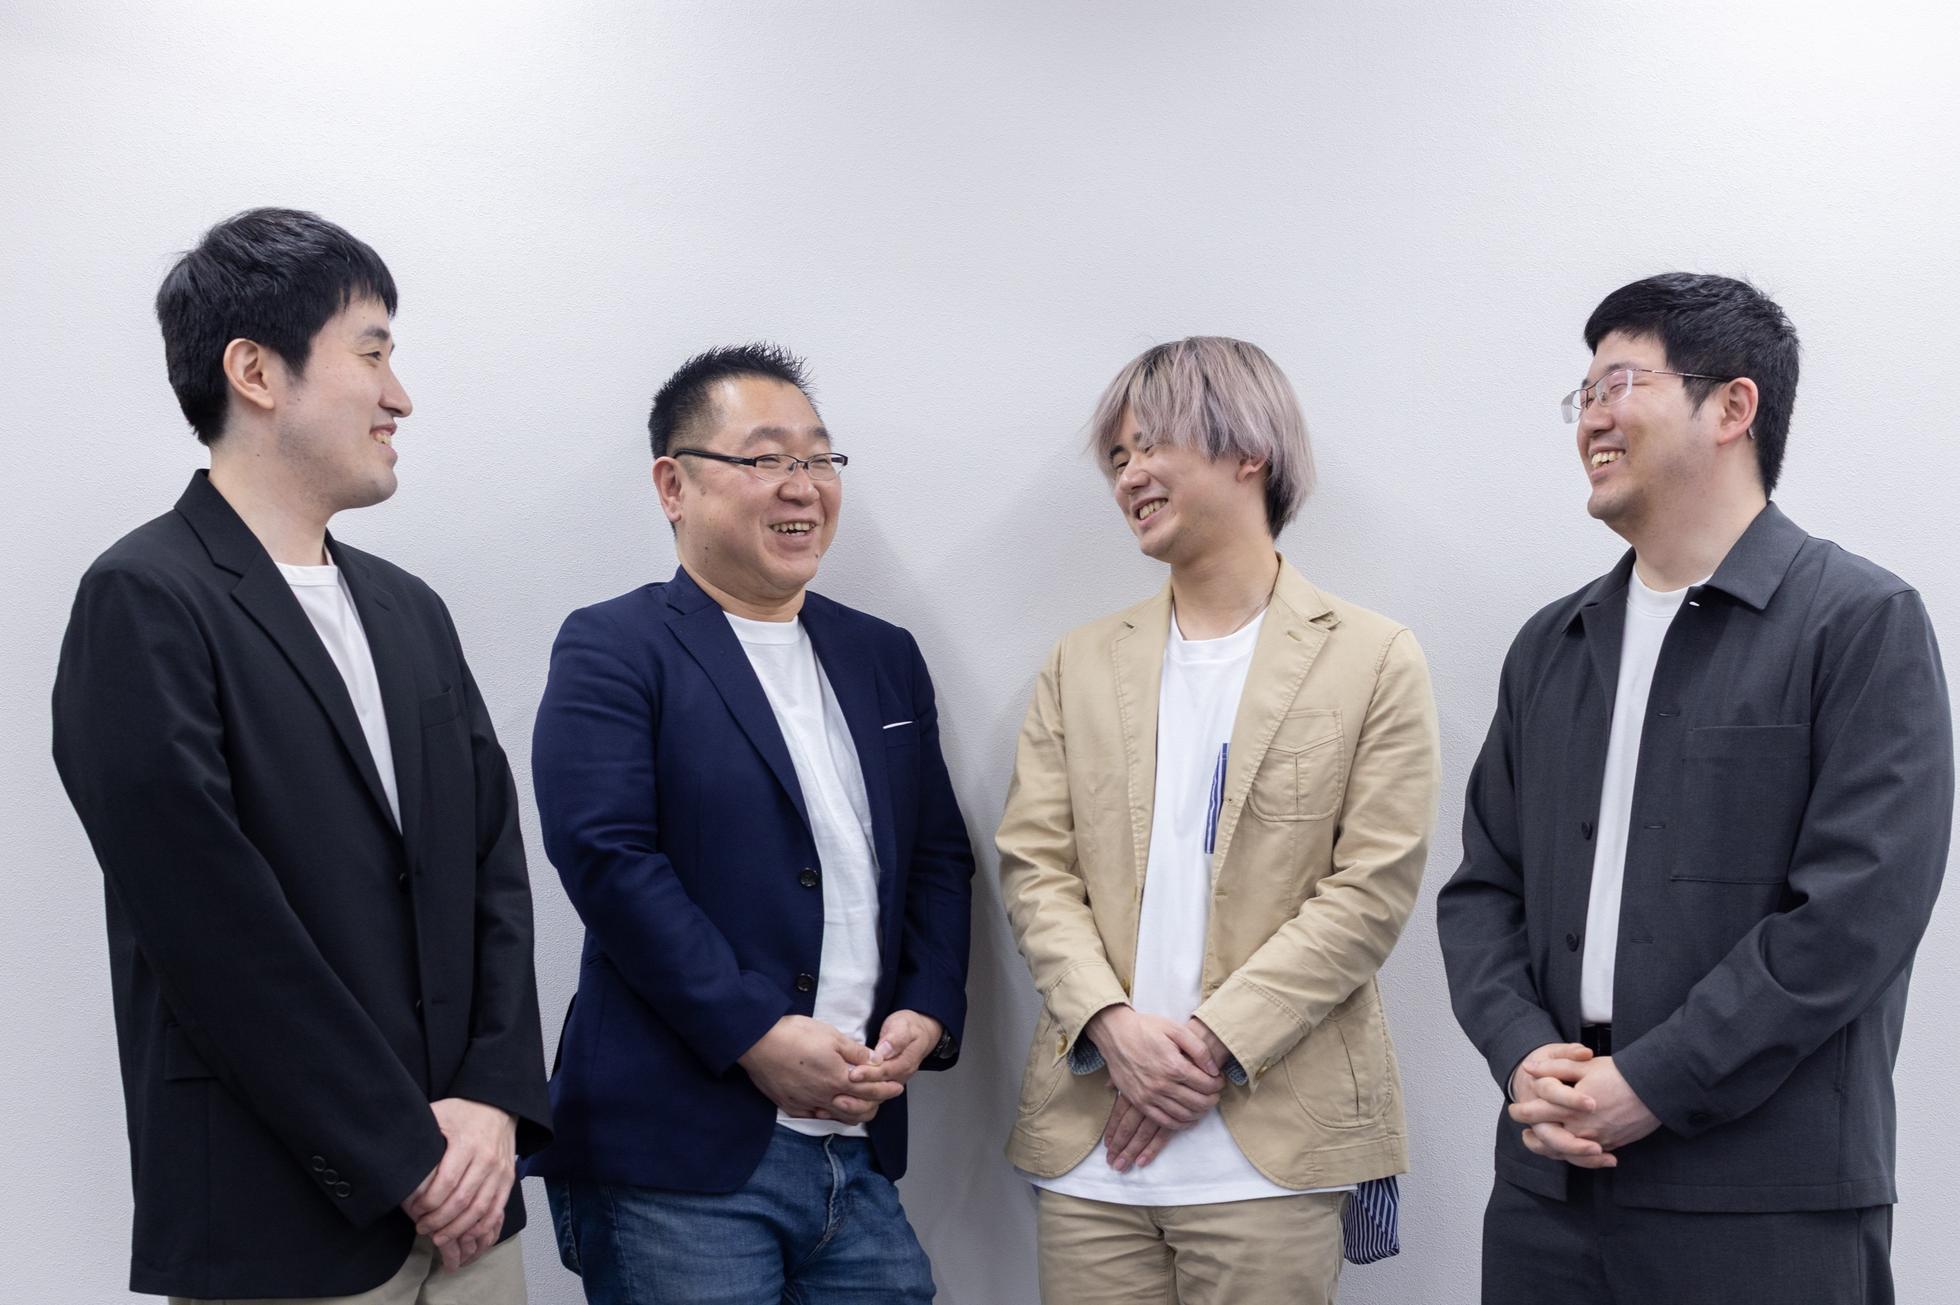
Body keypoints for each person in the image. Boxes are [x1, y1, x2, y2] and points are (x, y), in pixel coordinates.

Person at [51, 207, 552, 1304]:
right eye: (371, 353)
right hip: (285, 1213)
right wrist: (402, 1154)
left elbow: (492, 870)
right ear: (255, 372)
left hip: (474, 1202)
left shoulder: (411, 610)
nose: (399, 395)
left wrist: (492, 1101)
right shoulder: (144, 598)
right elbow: (212, 930)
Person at [1437, 272, 1952, 1303]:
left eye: (1619, 383)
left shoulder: (1859, 622)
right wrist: (1522, 1055)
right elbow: (1484, 890)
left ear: (1732, 406)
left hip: (1763, 1202)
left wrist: (1654, 1081)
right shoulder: (1552, 645)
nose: (1591, 417)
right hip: (1549, 1190)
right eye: (1582, 393)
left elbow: (1854, 917)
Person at [523, 343, 974, 1303]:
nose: (801, 485)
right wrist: (756, 1032)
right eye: (765, 457)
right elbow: (608, 861)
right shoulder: (614, 645)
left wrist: (928, 1006)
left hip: (856, 1149)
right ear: (673, 486)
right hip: (677, 1156)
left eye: (818, 457)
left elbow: (938, 854)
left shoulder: (883, 655)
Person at [997, 336, 1440, 1304]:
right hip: (1092, 1158)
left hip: (1272, 1153)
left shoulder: (1372, 656)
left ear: (1250, 451)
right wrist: (1113, 1028)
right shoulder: (1078, 663)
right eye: (1118, 456)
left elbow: (1369, 892)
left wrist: (1204, 1047)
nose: (1129, 474)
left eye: (1152, 445)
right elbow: (1034, 870)